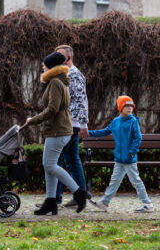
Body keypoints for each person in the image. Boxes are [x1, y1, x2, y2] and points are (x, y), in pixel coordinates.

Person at [25, 52, 87, 215]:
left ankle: (79, 193)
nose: (42, 67)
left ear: (51, 66)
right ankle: (51, 201)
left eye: (44, 64)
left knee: (50, 165)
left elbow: (52, 109)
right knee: (49, 165)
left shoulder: (54, 82)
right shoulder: (60, 81)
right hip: (59, 129)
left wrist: (33, 120)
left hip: (58, 130)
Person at [87, 96, 154, 213]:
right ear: (120, 108)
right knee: (114, 181)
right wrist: (88, 133)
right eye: (126, 106)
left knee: (136, 181)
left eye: (131, 106)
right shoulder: (116, 121)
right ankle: (104, 203)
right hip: (119, 158)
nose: (129, 108)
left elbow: (138, 138)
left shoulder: (133, 121)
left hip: (129, 159)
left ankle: (147, 204)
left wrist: (132, 153)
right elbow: (104, 131)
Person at [53, 45, 89, 208]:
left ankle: (56, 197)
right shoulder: (64, 74)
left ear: (69, 58)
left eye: (60, 56)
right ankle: (78, 195)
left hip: (70, 123)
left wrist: (83, 124)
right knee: (70, 159)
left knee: (59, 159)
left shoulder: (74, 75)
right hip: (67, 122)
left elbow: (81, 100)